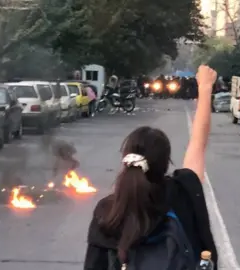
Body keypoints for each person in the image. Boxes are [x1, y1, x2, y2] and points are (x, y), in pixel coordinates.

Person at [84, 65, 218, 269]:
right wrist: (206, 88)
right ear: (165, 163)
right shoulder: (181, 193)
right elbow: (197, 145)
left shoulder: (107, 212)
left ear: (126, 159)